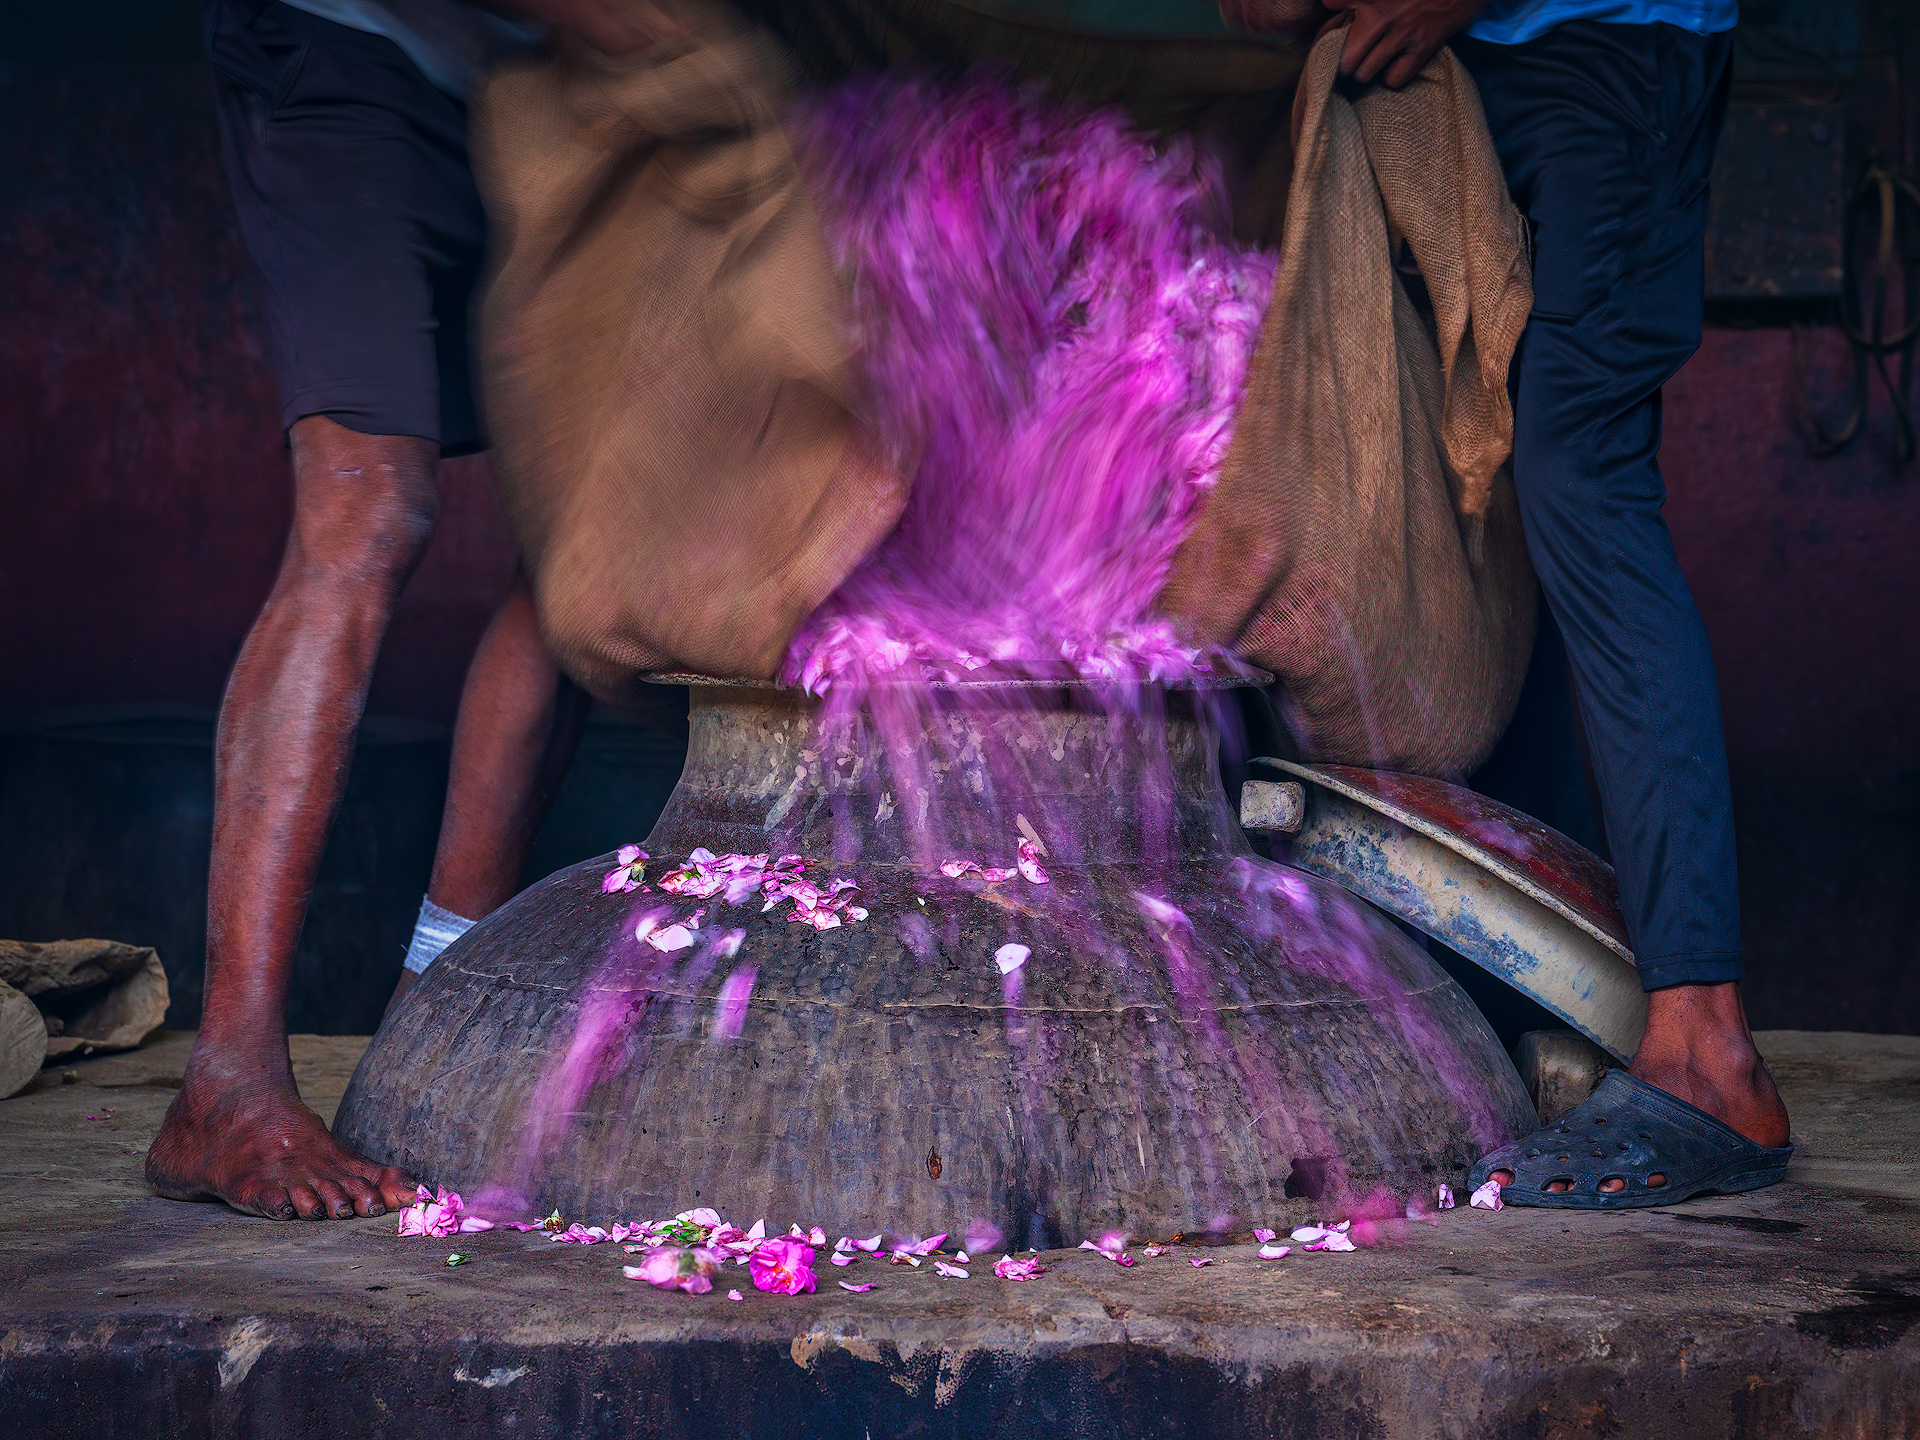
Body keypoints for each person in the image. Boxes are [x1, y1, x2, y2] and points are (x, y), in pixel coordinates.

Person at [145, 0, 651, 1221]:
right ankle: (227, 1083)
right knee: (369, 514)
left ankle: (435, 1015)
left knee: (592, 550)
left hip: (570, 107)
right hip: (358, 55)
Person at [1316, 0, 1793, 1203]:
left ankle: (1708, 1047)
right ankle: (1519, 1017)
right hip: (1459, 82)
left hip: (1606, 50)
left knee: (1580, 475)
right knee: (1479, 488)